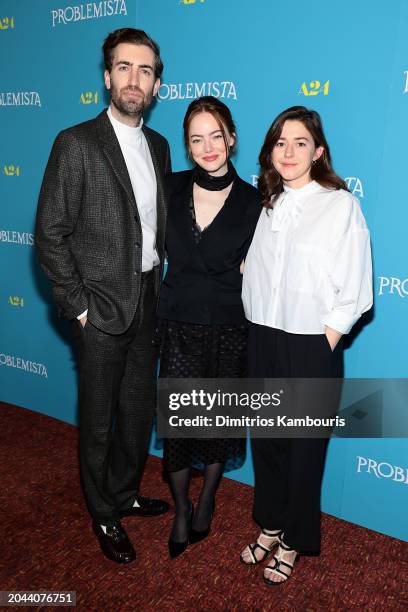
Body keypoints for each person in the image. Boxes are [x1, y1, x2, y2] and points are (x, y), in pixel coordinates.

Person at [35, 28, 171, 565]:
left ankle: (124, 491)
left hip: (148, 300)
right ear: (106, 76)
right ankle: (103, 513)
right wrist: (80, 306)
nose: (133, 79)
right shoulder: (76, 142)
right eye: (124, 67)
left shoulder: (158, 146)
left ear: (156, 84)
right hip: (100, 307)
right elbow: (50, 232)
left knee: (137, 416)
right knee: (97, 419)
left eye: (145, 70)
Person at [240, 106, 373, 583]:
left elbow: (356, 288)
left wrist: (325, 341)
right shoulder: (268, 203)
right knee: (269, 442)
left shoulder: (340, 205)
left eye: (300, 142)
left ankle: (295, 538)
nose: (289, 151)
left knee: (303, 449)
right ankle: (271, 524)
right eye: (280, 142)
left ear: (318, 151)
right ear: (270, 152)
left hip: (309, 346)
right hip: (263, 337)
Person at [157, 96, 261, 557]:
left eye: (215, 135)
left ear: (231, 138)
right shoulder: (169, 188)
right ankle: (181, 508)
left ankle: (208, 500)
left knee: (218, 423)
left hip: (228, 328)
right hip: (178, 323)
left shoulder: (255, 201)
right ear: (188, 146)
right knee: (179, 424)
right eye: (196, 139)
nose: (207, 147)